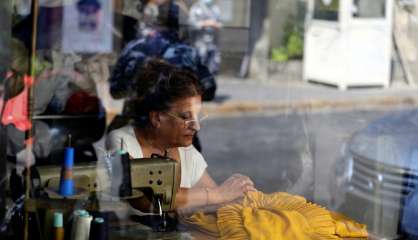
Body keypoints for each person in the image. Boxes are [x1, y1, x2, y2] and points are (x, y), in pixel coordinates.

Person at [106, 59, 255, 209]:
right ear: (157, 117)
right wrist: (216, 195)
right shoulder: (122, 140)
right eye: (185, 117)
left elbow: (219, 201)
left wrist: (237, 191)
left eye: (197, 116)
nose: (196, 126)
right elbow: (147, 197)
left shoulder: (185, 151)